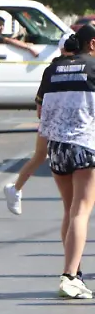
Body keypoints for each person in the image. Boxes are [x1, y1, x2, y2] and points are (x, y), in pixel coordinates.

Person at [35, 24, 95, 299]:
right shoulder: (92, 68)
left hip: (57, 146)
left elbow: (40, 109)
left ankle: (76, 273)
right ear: (92, 45)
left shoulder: (53, 69)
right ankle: (70, 275)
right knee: (81, 211)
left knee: (70, 211)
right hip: (85, 145)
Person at [5, 33, 79, 215]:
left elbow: (40, 103)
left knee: (40, 156)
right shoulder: (74, 68)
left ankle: (15, 188)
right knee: (42, 156)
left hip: (52, 123)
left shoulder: (53, 69)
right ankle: (15, 189)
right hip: (63, 125)